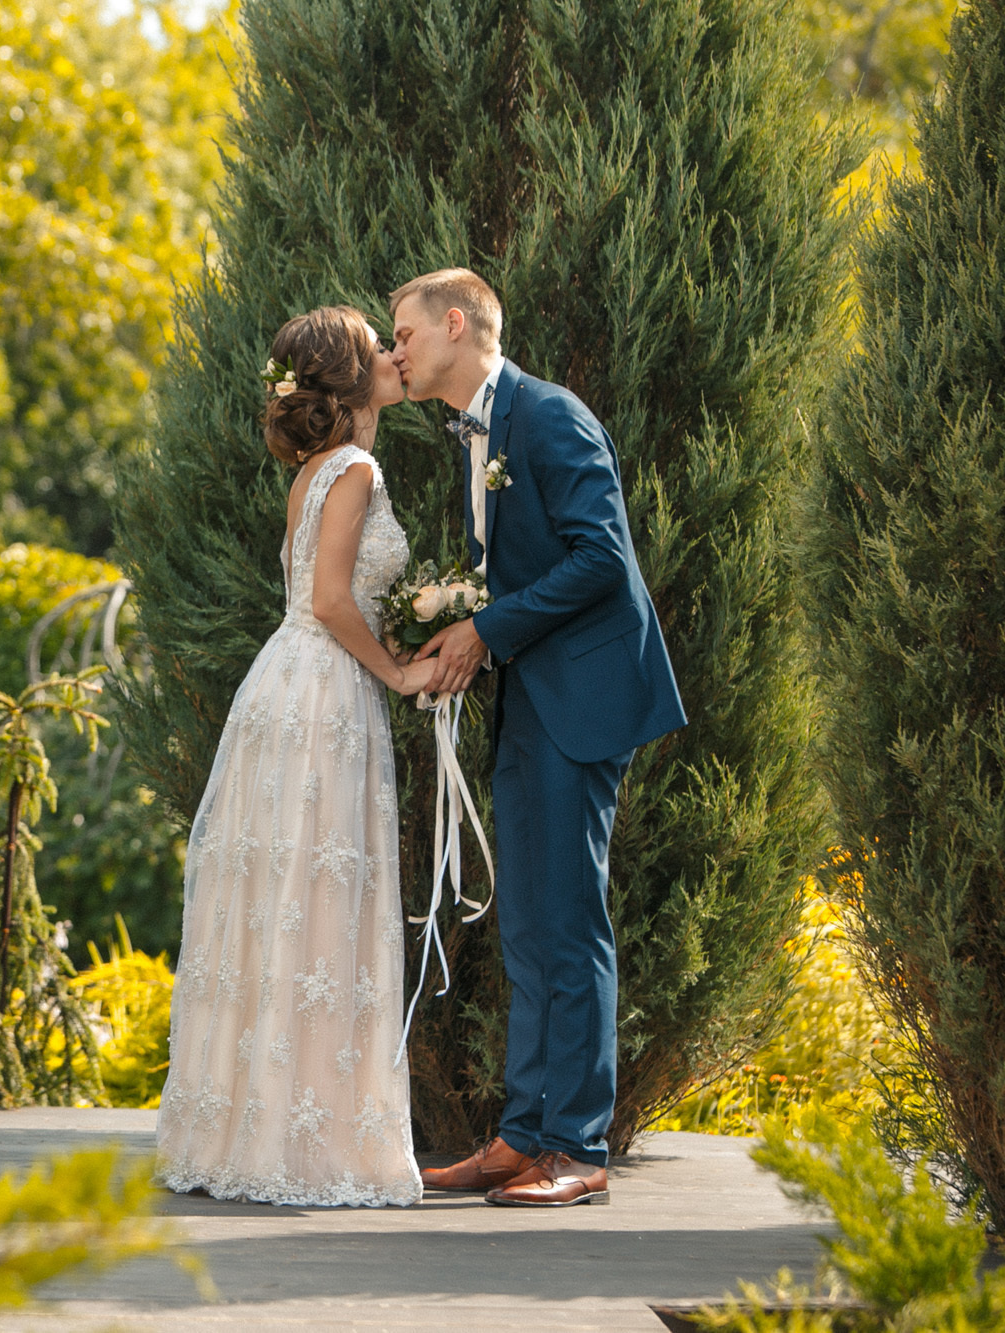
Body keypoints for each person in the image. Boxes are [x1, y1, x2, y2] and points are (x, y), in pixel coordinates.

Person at [391, 268, 686, 1207]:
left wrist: (487, 628)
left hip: (584, 699)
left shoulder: (550, 416)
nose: (396, 351)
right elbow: (516, 570)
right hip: (529, 701)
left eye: (404, 333)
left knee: (570, 923)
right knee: (525, 923)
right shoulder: (473, 431)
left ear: (454, 322)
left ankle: (579, 1146)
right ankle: (523, 1136)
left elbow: (605, 557)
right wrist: (466, 627)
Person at [156, 306, 436, 1207]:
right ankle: (307, 1142)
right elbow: (327, 598)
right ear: (352, 384)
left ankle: (261, 1127)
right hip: (326, 694)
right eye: (378, 349)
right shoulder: (353, 466)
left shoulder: (318, 470)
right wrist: (398, 671)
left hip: (289, 686)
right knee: (318, 901)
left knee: (291, 904)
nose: (397, 357)